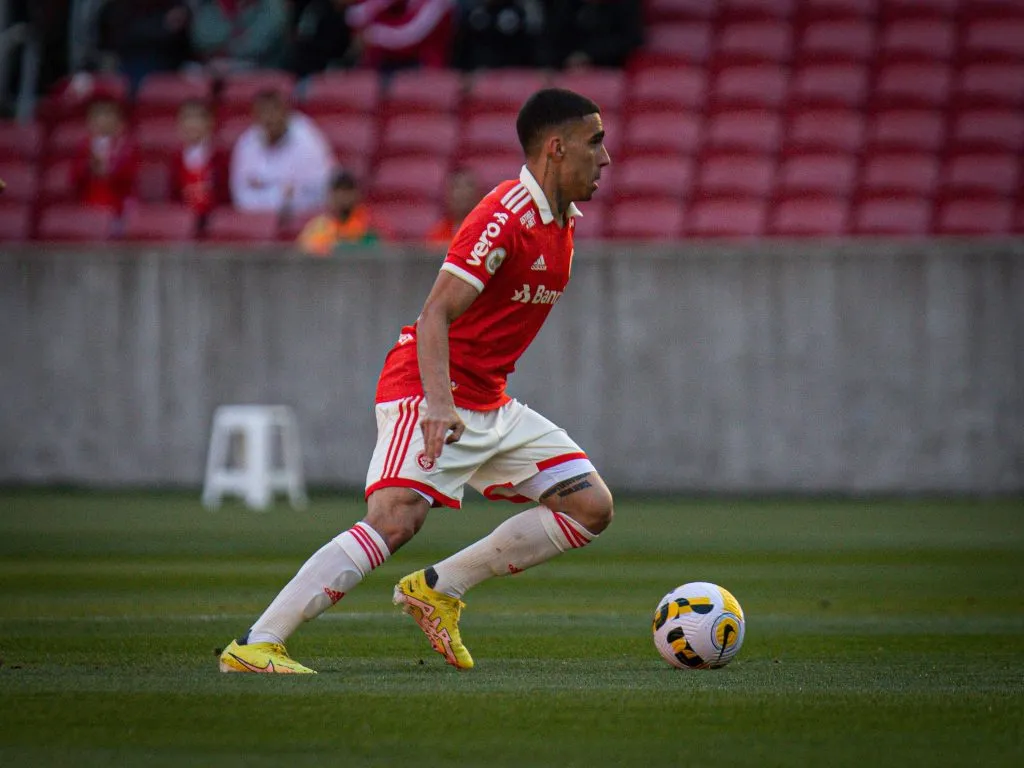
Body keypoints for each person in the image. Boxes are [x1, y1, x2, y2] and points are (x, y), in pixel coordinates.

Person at [219, 87, 613, 674]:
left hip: (489, 400)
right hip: (428, 390)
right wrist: (437, 403)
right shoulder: (503, 217)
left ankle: (439, 588)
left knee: (590, 506)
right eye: (595, 142)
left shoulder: (563, 223)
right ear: (556, 149)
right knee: (395, 520)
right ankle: (255, 644)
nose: (605, 158)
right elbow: (434, 315)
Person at [229, 88, 335, 217]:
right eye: (263, 112)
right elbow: (240, 196)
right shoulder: (246, 143)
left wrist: (265, 190)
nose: (269, 118)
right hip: (257, 220)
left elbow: (317, 192)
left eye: (274, 111)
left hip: (301, 218)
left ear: (286, 112)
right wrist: (280, 194)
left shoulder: (307, 140)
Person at [71, 96, 138, 214]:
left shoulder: (126, 147)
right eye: (98, 114)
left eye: (108, 114)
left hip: (117, 206)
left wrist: (108, 168)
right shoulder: (84, 146)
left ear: (119, 120)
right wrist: (89, 166)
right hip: (88, 204)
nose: (102, 120)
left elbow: (130, 176)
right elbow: (74, 177)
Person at [344, 0, 455, 70]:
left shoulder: (440, 3)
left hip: (423, 69)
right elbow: (356, 15)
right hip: (389, 65)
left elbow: (411, 35)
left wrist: (372, 35)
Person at [169, 99, 229, 222]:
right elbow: (173, 196)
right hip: (183, 221)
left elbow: (226, 196)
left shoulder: (219, 156)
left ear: (210, 122)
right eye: (187, 118)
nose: (192, 124)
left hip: (215, 221)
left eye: (197, 118)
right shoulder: (176, 158)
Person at [297, 167, 380, 254]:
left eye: (347, 190)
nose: (343, 196)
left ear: (357, 194)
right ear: (330, 194)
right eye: (338, 190)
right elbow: (304, 254)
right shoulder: (319, 226)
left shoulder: (370, 224)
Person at [190, 0, 290, 71]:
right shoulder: (211, 4)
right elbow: (201, 38)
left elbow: (257, 45)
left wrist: (225, 48)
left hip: (264, 72)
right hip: (216, 73)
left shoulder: (273, 6)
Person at [425, 166, 480, 246]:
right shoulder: (436, 237)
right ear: (447, 195)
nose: (463, 192)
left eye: (468, 186)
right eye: (456, 187)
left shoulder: (490, 232)